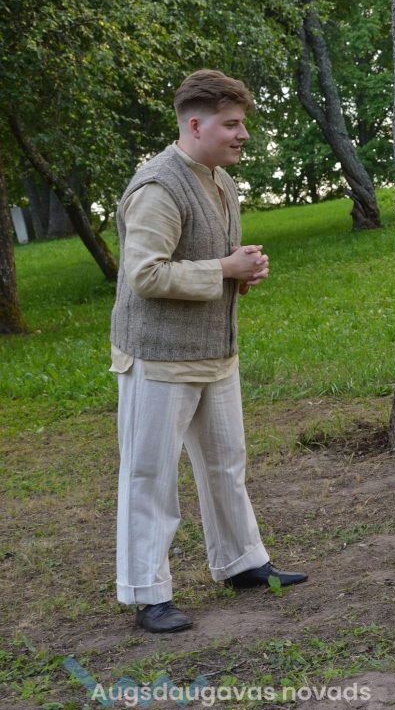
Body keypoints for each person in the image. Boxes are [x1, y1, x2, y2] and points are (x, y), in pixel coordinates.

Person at [110, 70, 305, 634]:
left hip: (215, 353)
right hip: (158, 358)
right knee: (150, 477)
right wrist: (224, 268)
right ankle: (148, 593)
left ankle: (242, 562)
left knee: (225, 463)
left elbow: (207, 263)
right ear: (195, 125)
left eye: (242, 123)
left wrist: (242, 273)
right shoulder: (158, 187)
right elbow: (145, 275)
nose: (243, 134)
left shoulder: (221, 180)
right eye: (232, 124)